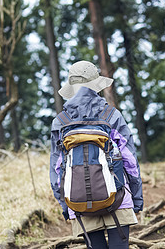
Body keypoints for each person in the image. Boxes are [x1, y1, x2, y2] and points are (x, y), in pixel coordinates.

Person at [50, 60, 143, 249]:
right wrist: (137, 197)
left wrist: (66, 206)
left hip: (79, 202)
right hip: (117, 197)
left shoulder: (60, 122)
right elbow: (130, 161)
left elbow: (56, 169)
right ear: (95, 85)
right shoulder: (111, 115)